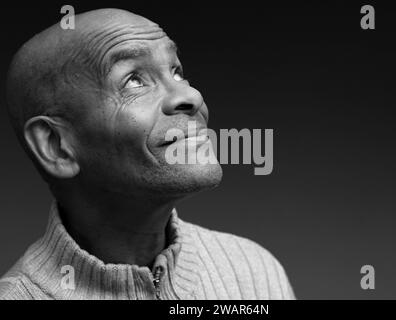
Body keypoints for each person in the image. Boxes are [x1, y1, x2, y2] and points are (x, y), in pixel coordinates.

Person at [0, 8, 294, 300]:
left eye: (176, 71)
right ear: (56, 145)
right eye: (134, 80)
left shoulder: (255, 273)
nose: (191, 96)